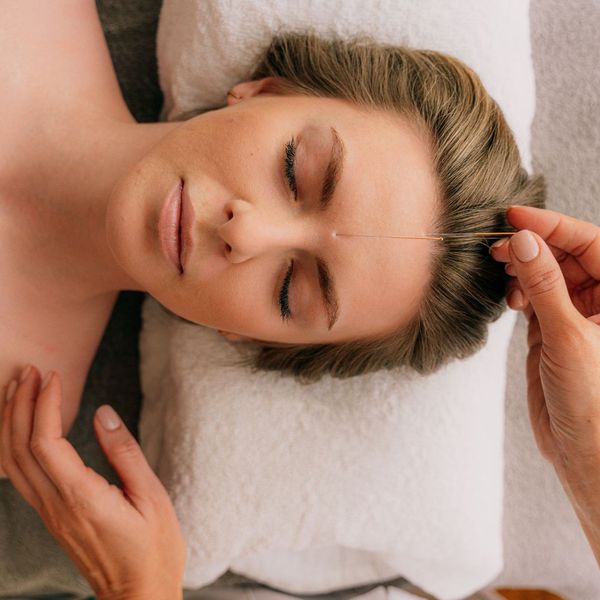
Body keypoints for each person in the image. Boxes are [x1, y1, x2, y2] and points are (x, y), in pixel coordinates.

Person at [1, 2, 597, 597]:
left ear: (251, 337)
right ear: (264, 89)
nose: (245, 235)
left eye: (291, 291)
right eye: (294, 170)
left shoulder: (17, 417)